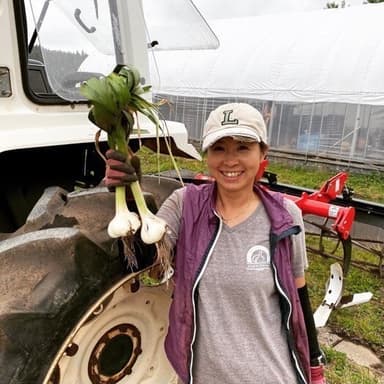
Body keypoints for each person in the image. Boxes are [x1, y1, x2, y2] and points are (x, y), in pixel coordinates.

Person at [104, 103, 326, 384]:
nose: (230, 161)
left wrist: (315, 367)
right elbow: (141, 259)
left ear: (263, 153)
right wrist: (125, 197)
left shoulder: (284, 217)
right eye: (219, 148)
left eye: (243, 148)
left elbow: (299, 298)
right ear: (207, 155)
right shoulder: (185, 205)